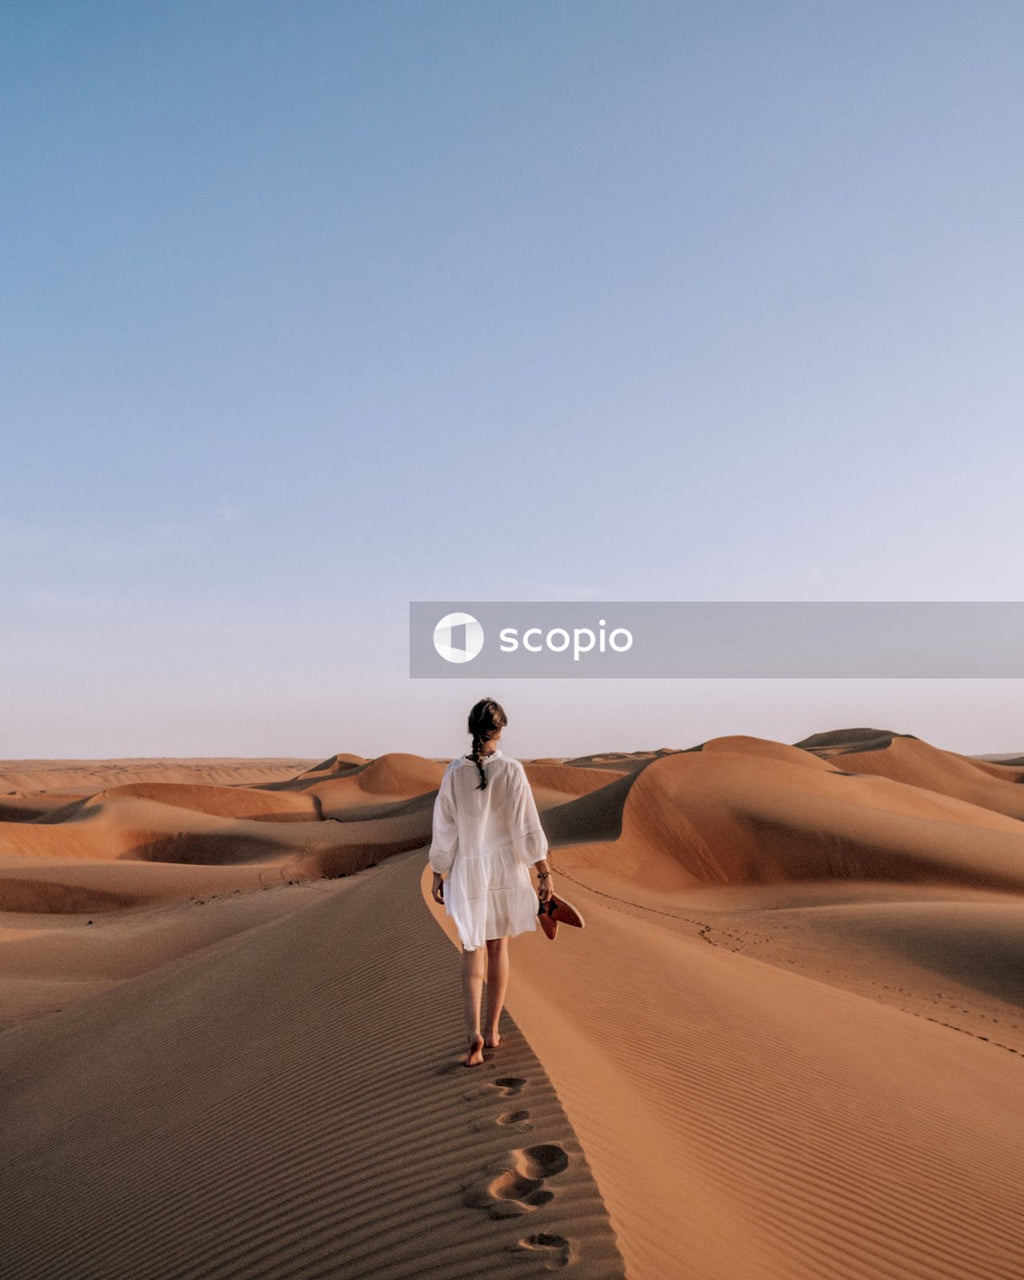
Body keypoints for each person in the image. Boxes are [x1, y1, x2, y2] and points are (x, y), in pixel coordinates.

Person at [428, 697, 553, 1067]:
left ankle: (473, 1036)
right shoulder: (513, 771)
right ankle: (494, 1030)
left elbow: (445, 827)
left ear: (471, 729)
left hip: (468, 870)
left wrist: (438, 870)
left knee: (472, 950)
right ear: (500, 730)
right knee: (498, 949)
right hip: (504, 870)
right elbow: (527, 827)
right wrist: (543, 872)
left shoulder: (453, 772)